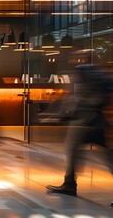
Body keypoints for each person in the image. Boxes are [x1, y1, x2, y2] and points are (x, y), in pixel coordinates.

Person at [46, 64, 113, 204]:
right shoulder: (98, 75)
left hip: (82, 121)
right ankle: (69, 184)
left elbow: (74, 99)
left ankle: (69, 184)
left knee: (71, 151)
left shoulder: (81, 75)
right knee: (107, 157)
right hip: (96, 121)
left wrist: (61, 115)